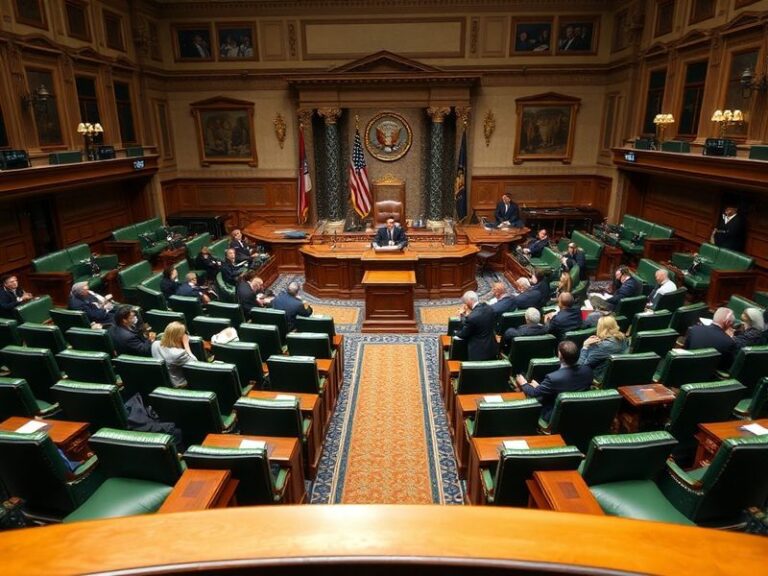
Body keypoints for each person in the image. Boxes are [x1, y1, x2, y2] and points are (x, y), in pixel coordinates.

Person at [515, 340, 593, 421]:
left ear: (560, 355)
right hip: (580, 411)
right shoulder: (588, 370)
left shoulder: (553, 378)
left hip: (556, 415)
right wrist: (540, 387)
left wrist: (523, 383)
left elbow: (534, 393)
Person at [578, 315, 628, 382]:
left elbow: (581, 367)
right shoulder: (623, 338)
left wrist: (585, 346)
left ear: (600, 328)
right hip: (616, 376)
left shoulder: (601, 346)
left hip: (598, 378)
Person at [455, 290, 497, 361]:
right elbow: (479, 321)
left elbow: (463, 334)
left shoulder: (472, 317)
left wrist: (455, 332)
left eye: (465, 302)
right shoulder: (489, 308)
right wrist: (467, 316)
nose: (466, 304)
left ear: (469, 301)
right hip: (492, 348)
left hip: (478, 353)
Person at [151, 321, 194, 388]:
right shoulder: (178, 353)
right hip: (179, 385)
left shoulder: (155, 344)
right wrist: (186, 345)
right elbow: (195, 364)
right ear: (179, 338)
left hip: (161, 382)